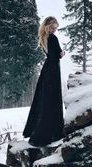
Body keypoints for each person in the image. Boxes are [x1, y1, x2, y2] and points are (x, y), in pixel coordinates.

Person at [22, 16, 65, 147]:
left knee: (44, 99)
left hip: (48, 69)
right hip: (52, 70)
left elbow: (50, 54)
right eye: (52, 27)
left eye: (55, 28)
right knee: (51, 100)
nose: (54, 30)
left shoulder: (43, 37)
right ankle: (49, 133)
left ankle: (43, 130)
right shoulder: (52, 38)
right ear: (46, 26)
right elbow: (55, 55)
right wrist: (62, 53)